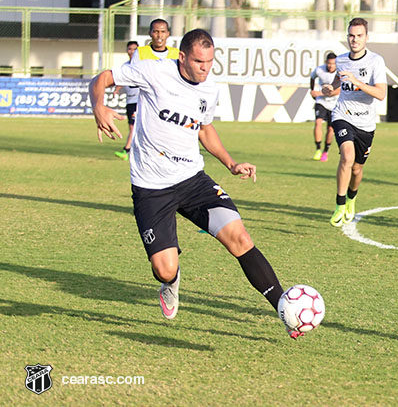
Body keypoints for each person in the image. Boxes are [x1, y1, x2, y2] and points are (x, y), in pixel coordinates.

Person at [89, 29, 298, 337]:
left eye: (210, 62)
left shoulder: (208, 89)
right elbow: (101, 79)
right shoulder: (153, 71)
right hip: (151, 187)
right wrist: (99, 107)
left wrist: (231, 163)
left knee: (239, 237)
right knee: (165, 269)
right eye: (199, 61)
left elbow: (204, 129)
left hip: (192, 180)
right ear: (182, 57)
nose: (205, 68)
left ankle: (284, 308)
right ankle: (170, 283)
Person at [324, 18, 387, 227]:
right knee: (347, 157)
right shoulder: (341, 59)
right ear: (347, 37)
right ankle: (340, 205)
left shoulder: (376, 61)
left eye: (359, 36)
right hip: (343, 115)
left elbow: (381, 94)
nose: (355, 40)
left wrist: (357, 82)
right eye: (351, 35)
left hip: (366, 124)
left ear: (366, 37)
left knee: (357, 169)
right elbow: (337, 82)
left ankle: (351, 199)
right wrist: (329, 89)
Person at [309, 52, 339, 162]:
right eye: (329, 63)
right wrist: (312, 90)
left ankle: (325, 151)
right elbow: (312, 78)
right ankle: (318, 149)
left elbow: (337, 92)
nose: (331, 66)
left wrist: (319, 93)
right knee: (318, 122)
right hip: (321, 102)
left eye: (333, 63)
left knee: (331, 129)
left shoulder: (340, 73)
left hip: (334, 104)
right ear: (326, 62)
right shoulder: (319, 70)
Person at [113, 40, 139, 161]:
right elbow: (122, 79)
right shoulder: (125, 66)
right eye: (130, 49)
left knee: (133, 127)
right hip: (130, 101)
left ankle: (126, 150)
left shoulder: (142, 65)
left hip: (139, 101)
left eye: (134, 49)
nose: (132, 51)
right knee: (132, 127)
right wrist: (117, 89)